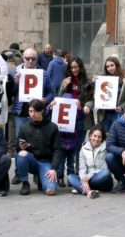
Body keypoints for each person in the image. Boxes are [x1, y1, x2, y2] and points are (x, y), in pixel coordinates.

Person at [10, 48, 54, 184]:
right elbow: (10, 93)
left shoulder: (44, 74)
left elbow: (51, 93)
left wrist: (45, 100)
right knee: (20, 144)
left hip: (39, 114)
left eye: (33, 59)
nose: (30, 61)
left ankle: (36, 171)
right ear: (22, 58)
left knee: (39, 142)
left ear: (36, 59)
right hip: (21, 113)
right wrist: (16, 83)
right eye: (27, 58)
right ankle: (19, 172)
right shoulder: (14, 73)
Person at [55, 56, 92, 186]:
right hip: (65, 118)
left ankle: (75, 174)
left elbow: (92, 98)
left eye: (76, 67)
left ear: (80, 67)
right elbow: (58, 99)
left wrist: (88, 105)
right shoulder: (66, 81)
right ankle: (60, 175)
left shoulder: (87, 82)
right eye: (71, 67)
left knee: (78, 148)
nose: (74, 69)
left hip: (81, 117)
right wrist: (63, 87)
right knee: (63, 147)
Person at [15, 99, 63, 196]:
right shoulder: (24, 127)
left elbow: (57, 150)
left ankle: (42, 179)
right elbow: (17, 148)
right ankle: (25, 183)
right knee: (21, 154)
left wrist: (54, 168)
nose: (32, 114)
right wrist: (21, 147)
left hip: (46, 161)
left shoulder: (53, 127)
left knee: (50, 191)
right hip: (31, 160)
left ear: (42, 110)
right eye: (30, 111)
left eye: (35, 111)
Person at [87, 56, 125, 133]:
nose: (110, 68)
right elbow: (95, 96)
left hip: (118, 114)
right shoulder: (102, 79)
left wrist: (122, 106)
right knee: (105, 138)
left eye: (112, 65)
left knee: (118, 136)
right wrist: (94, 83)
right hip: (104, 115)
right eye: (107, 66)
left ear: (117, 65)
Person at [68, 126, 112, 198]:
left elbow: (104, 169)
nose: (96, 139)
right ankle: (89, 192)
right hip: (88, 180)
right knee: (70, 177)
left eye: (99, 137)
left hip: (101, 180)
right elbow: (82, 168)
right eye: (94, 136)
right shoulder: (83, 149)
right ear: (90, 136)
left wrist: (88, 177)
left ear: (102, 139)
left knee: (106, 173)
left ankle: (81, 188)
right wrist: (84, 179)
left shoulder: (105, 148)